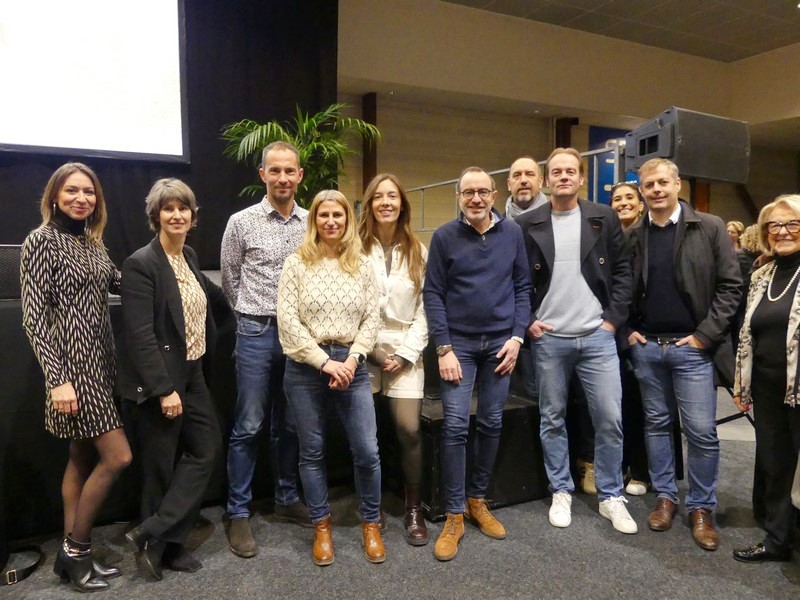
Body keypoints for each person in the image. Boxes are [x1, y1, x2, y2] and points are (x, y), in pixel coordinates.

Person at [20, 163, 132, 592]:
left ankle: (72, 555)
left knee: (82, 457)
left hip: (102, 363)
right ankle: (76, 550)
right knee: (118, 457)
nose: (81, 198)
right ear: (54, 196)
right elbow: (33, 319)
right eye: (71, 190)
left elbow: (119, 283)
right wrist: (57, 380)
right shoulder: (40, 241)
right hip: (72, 368)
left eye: (88, 192)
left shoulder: (92, 243)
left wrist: (161, 268)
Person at [517, 148, 636, 535]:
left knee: (610, 419)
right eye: (557, 172)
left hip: (597, 338)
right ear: (547, 180)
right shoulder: (527, 223)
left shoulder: (604, 217)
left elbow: (623, 272)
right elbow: (517, 279)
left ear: (581, 178)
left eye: (571, 171)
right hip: (549, 340)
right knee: (552, 419)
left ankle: (611, 494)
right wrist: (528, 321)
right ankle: (561, 489)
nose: (564, 176)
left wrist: (612, 321)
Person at [118, 179, 231, 580]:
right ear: (156, 215)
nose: (177, 215)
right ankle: (161, 549)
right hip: (161, 380)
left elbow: (210, 298)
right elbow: (140, 335)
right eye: (168, 209)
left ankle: (153, 531)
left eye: (183, 208)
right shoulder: (141, 264)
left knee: (205, 450)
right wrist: (164, 389)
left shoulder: (189, 257)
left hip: (194, 371)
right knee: (160, 464)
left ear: (193, 215)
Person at [626, 158, 741, 551]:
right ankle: (665, 496)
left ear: (677, 185)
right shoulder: (633, 234)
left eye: (663, 182)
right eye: (649, 185)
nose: (656, 190)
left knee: (702, 432)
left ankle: (702, 506)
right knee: (657, 426)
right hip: (647, 348)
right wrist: (627, 332)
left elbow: (730, 286)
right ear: (642, 191)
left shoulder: (708, 227)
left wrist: (704, 336)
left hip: (692, 349)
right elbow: (619, 288)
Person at [424, 166, 531, 561]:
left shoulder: (512, 233)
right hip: (460, 347)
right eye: (468, 192)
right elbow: (433, 293)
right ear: (458, 196)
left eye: (482, 192)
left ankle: (477, 499)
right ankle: (454, 514)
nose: (476, 199)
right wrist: (444, 348)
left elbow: (523, 287)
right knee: (455, 426)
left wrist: (517, 337)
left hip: (501, 345)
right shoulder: (444, 236)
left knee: (491, 423)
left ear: (494, 195)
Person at [277, 190, 382, 566]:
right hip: (306, 369)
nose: (331, 221)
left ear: (347, 220)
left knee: (367, 451)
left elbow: (372, 318)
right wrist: (325, 363)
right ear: (314, 221)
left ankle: (371, 523)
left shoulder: (362, 264)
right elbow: (287, 320)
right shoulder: (296, 263)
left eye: (338, 215)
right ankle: (321, 525)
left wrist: (351, 361)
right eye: (324, 215)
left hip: (352, 365)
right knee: (312, 451)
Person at [220, 140, 310, 558]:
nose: (282, 178)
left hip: (298, 338)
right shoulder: (241, 222)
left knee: (289, 424)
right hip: (255, 332)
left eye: (289, 171)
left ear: (300, 175)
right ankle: (237, 511)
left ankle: (286, 497)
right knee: (249, 424)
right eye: (275, 170)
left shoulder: (311, 222)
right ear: (263, 175)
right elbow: (230, 278)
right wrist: (248, 318)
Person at [358, 173, 429, 546]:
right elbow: (347, 305)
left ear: (402, 204)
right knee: (366, 434)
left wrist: (404, 354)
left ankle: (413, 508)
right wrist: (369, 349)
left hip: (406, 348)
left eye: (392, 196)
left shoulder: (419, 251)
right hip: (362, 347)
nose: (386, 202)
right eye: (378, 197)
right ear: (369, 204)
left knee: (408, 428)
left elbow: (427, 311)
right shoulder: (353, 249)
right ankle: (371, 504)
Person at [732, 195, 800, 563]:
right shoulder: (761, 276)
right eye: (774, 225)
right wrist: (742, 383)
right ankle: (777, 540)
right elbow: (747, 335)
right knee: (775, 463)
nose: (782, 231)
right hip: (768, 385)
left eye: (792, 223)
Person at [610, 180, 649, 495]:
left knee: (643, 407)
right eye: (617, 199)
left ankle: (642, 470)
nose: (623, 203)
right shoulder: (611, 239)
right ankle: (622, 466)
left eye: (629, 198)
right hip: (616, 333)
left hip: (641, 333)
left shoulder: (647, 238)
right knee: (619, 406)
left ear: (640, 204)